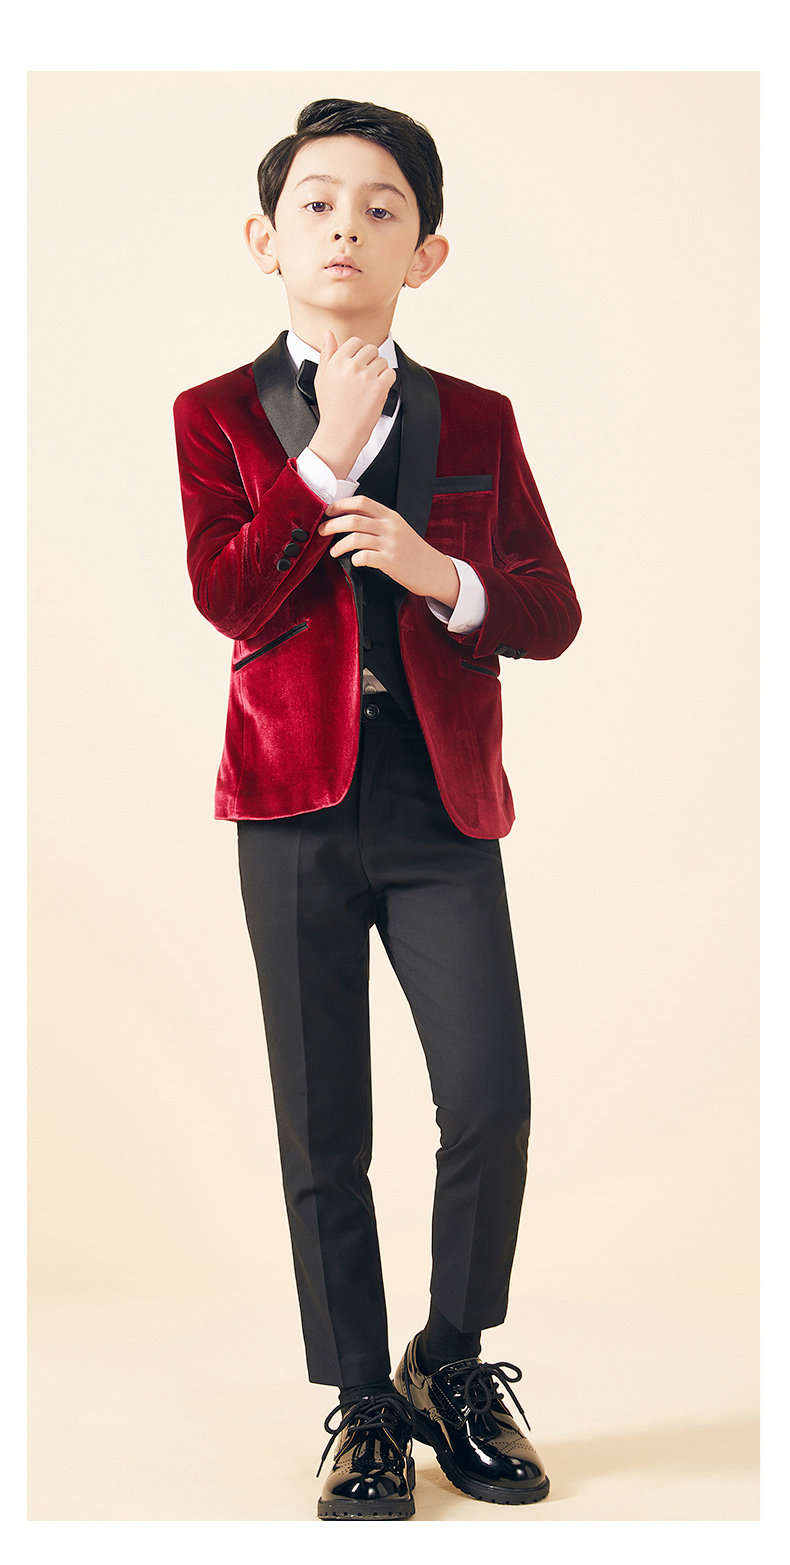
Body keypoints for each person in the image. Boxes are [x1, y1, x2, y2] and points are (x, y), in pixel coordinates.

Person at [173, 96, 581, 1521]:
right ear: (265, 238)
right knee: (321, 1127)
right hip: (289, 806)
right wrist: (320, 465)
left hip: (440, 811)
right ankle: (359, 1399)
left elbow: (548, 609)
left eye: (381, 207)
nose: (346, 225)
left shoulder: (479, 419)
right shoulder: (217, 415)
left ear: (427, 253)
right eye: (317, 203)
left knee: (489, 1100)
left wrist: (434, 570)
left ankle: (446, 1360)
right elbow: (230, 594)